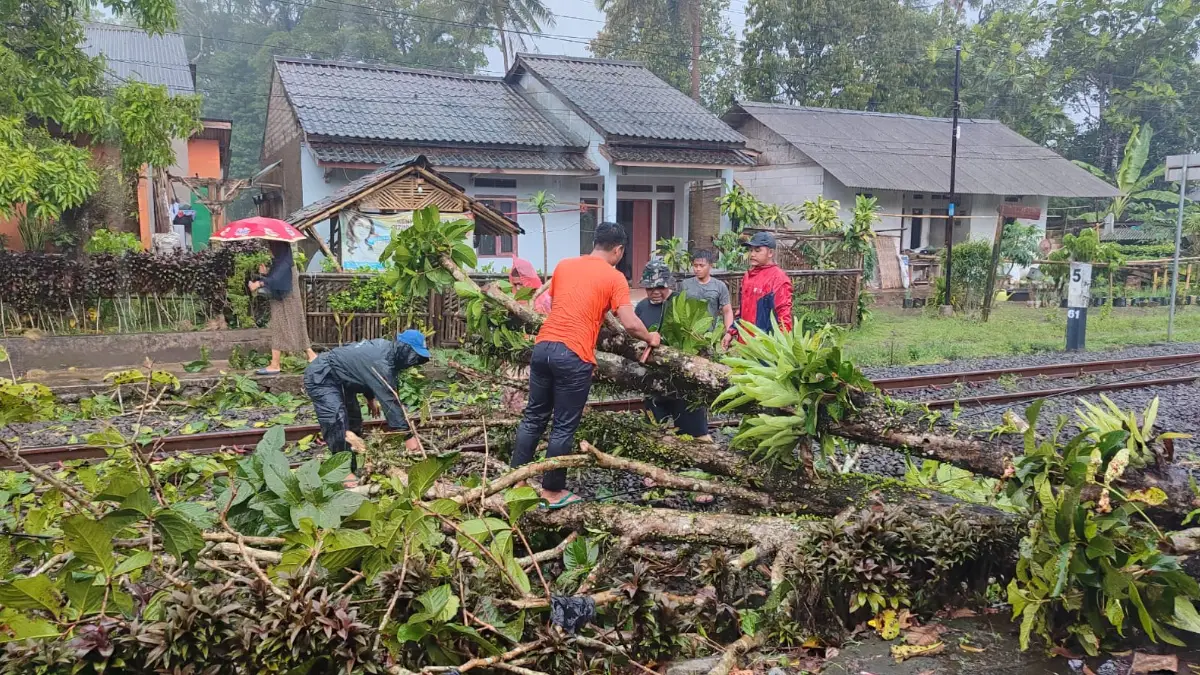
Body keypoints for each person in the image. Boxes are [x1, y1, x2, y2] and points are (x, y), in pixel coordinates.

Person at [510, 221, 661, 508]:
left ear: (595, 243)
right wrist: (650, 336)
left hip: (543, 348)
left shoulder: (565, 265)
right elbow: (629, 322)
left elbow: (566, 302)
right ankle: (552, 491)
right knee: (563, 427)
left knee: (533, 417)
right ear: (618, 250)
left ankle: (516, 481)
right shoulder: (614, 277)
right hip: (573, 354)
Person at [303, 330, 431, 484]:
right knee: (336, 420)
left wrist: (370, 397)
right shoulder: (381, 360)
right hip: (322, 376)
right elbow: (390, 401)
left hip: (343, 379)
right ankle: (343, 471)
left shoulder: (387, 351)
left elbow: (363, 370)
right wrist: (408, 437)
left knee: (354, 421)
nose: (413, 361)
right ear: (405, 350)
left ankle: (353, 461)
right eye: (414, 355)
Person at [635, 260, 711, 442]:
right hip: (653, 380)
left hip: (683, 383)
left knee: (698, 436)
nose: (654, 292)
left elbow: (702, 339)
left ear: (668, 284)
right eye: (649, 288)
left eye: (660, 287)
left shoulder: (683, 303)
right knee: (653, 434)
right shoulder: (641, 307)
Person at [247, 241, 318, 373]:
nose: (271, 249)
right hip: (282, 298)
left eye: (273, 246)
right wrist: (264, 274)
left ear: (279, 246)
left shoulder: (284, 262)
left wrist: (259, 283)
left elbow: (277, 279)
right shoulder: (283, 260)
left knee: (282, 327)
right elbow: (274, 278)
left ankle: (276, 365)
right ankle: (310, 355)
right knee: (289, 325)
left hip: (286, 299)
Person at [721, 232, 793, 349]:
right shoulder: (747, 276)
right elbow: (742, 311)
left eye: (757, 250)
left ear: (770, 253)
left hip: (765, 347)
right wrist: (731, 332)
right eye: (751, 250)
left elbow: (784, 317)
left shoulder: (779, 279)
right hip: (745, 344)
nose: (752, 254)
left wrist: (780, 347)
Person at [680, 250, 734, 334]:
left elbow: (727, 311)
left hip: (709, 335)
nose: (698, 269)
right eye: (695, 265)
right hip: (688, 333)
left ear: (710, 266)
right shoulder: (685, 285)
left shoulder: (719, 286)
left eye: (702, 266)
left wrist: (728, 332)